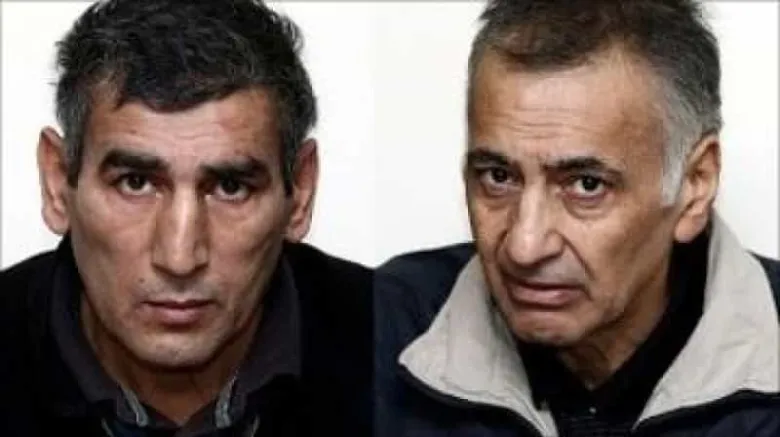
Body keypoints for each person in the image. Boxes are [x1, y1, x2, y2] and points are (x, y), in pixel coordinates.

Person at [375, 0, 780, 436]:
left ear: (695, 184)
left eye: (587, 185)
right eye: (498, 177)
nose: (524, 247)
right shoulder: (380, 329)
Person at [0, 0, 372, 435]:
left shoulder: (391, 344)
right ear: (57, 182)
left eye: (230, 187)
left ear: (301, 192)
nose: (179, 258)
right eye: (135, 182)